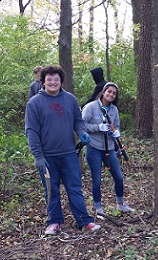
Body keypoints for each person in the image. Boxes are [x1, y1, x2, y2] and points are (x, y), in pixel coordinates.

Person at [25, 65, 100, 235]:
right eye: (49, 79)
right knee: (51, 190)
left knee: (74, 188)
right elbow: (31, 130)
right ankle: (54, 222)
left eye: (56, 79)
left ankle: (84, 220)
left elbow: (78, 121)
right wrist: (37, 155)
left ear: (61, 81)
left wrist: (81, 133)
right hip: (47, 157)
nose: (52, 82)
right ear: (43, 82)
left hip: (68, 154)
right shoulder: (34, 103)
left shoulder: (70, 99)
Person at [81, 82, 134, 216]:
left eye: (114, 93)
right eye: (109, 91)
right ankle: (98, 209)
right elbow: (82, 125)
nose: (111, 94)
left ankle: (121, 204)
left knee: (119, 177)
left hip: (109, 148)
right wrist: (97, 127)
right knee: (97, 180)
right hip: (94, 148)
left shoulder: (114, 110)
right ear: (103, 92)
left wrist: (116, 132)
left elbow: (115, 126)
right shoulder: (91, 107)